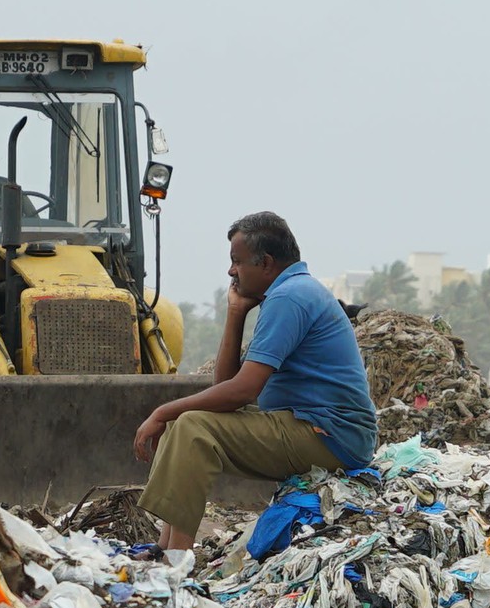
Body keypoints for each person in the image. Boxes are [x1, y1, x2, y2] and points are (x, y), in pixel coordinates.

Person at [132, 211, 377, 550]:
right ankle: (166, 549)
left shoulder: (290, 297)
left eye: (237, 262)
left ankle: (178, 561)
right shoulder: (292, 291)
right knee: (182, 425)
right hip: (308, 426)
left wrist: (162, 411)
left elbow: (242, 391)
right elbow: (226, 383)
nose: (231, 271)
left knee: (191, 427)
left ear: (266, 263)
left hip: (331, 435)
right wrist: (236, 313)